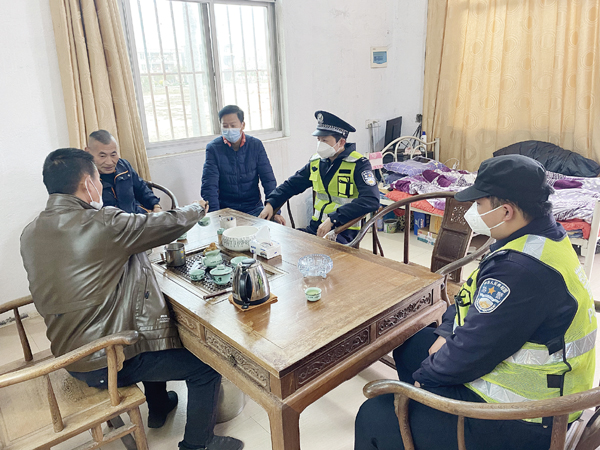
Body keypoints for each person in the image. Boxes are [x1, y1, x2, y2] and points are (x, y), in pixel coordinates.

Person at [355, 155, 597, 450]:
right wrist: (446, 332)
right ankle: (426, 423)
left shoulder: (521, 270)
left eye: (479, 204)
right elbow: (470, 296)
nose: (473, 211)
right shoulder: (537, 237)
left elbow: (471, 352)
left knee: (374, 415)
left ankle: (421, 417)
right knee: (411, 346)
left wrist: (422, 384)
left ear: (506, 211)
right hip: (524, 379)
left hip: (528, 417)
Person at [20, 148, 243, 450]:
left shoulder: (30, 232)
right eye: (98, 179)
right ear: (88, 184)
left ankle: (159, 405)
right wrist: (197, 208)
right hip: (104, 360)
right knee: (206, 365)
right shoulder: (102, 223)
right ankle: (198, 443)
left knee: (142, 324)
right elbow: (165, 225)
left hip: (67, 352)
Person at [259, 111, 380, 244]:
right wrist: (271, 203)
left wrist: (334, 218)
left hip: (343, 231)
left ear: (341, 142)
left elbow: (371, 200)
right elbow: (292, 185)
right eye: (319, 140)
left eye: (325, 140)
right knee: (282, 243)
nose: (320, 144)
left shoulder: (358, 164)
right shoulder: (316, 162)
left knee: (314, 254)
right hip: (316, 228)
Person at [201, 105, 285, 224]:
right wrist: (215, 216)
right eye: (225, 126)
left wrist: (275, 210)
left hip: (254, 208)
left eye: (233, 125)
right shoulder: (213, 148)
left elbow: (268, 180)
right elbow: (209, 186)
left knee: (274, 227)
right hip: (226, 211)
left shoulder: (255, 145)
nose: (229, 129)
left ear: (242, 125)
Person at [85, 130, 162, 214]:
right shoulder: (83, 177)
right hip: (110, 221)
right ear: (88, 152)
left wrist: (156, 206)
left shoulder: (124, 166)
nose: (109, 162)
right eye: (102, 156)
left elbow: (142, 189)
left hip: (136, 216)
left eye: (113, 155)